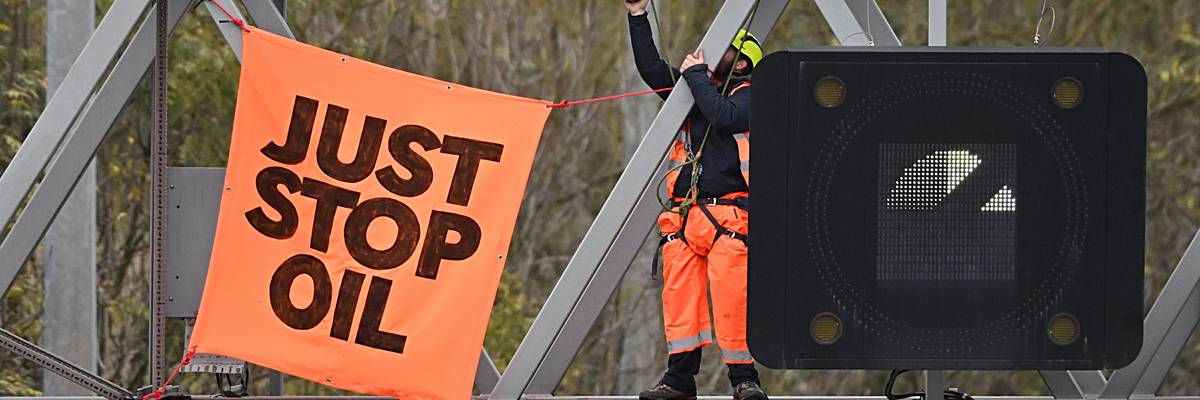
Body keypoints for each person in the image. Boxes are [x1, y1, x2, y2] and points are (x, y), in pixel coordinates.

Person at [624, 1, 765, 399]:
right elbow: (652, 69)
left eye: (724, 51)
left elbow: (724, 117)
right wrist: (638, 15)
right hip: (686, 219)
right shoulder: (694, 92)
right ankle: (679, 380)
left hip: (730, 218)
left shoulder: (750, 95)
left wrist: (696, 75)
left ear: (740, 64)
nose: (710, 55)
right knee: (680, 301)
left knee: (732, 301)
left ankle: (744, 380)